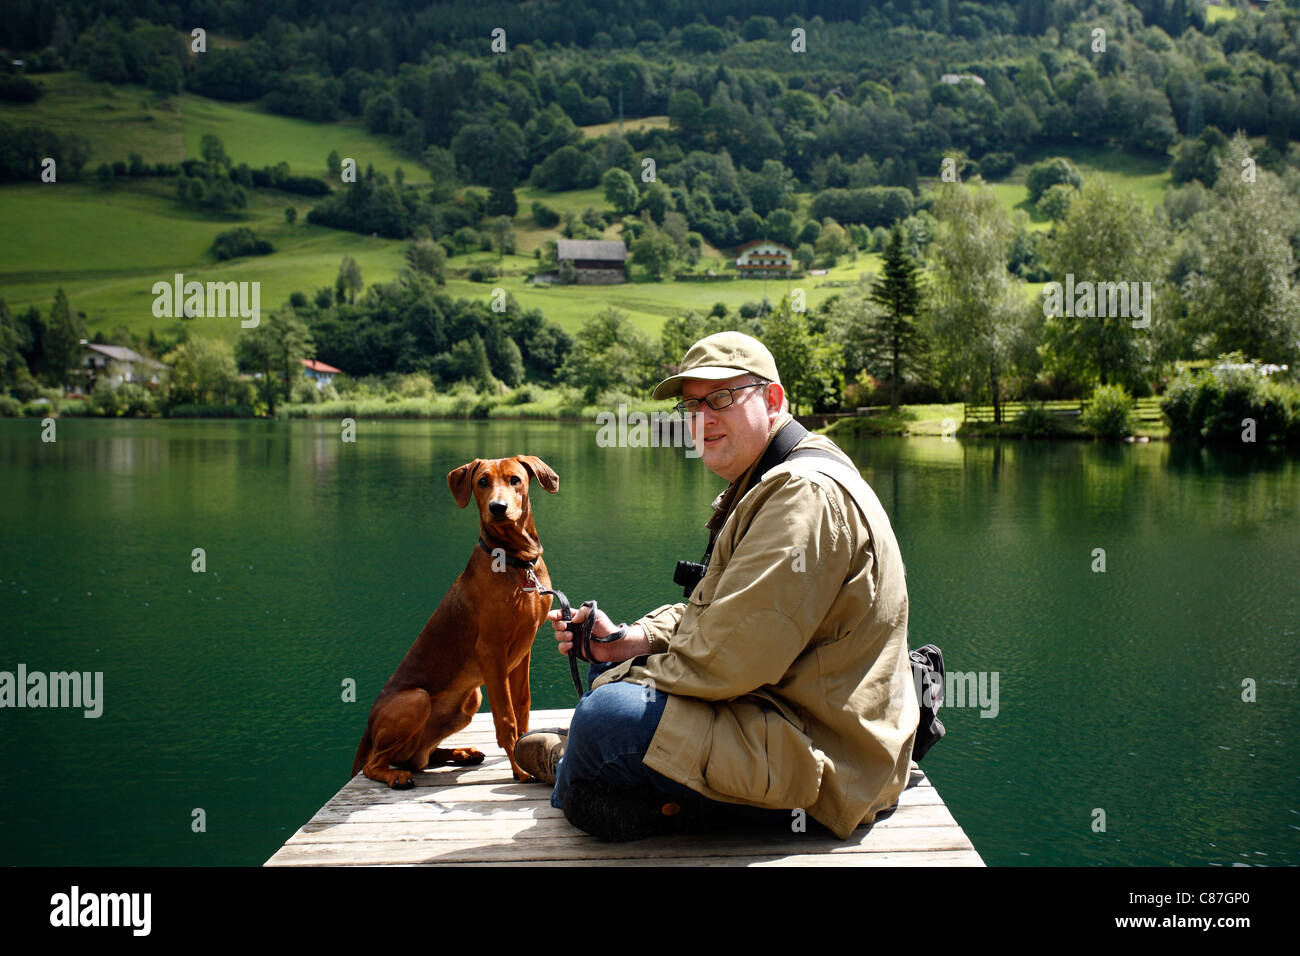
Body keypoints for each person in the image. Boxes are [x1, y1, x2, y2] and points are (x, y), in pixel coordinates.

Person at [515, 331, 919, 841]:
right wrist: (630, 639)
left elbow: (729, 659)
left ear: (772, 399)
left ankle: (573, 764)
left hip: (828, 760)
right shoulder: (779, 473)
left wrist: (617, 677)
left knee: (605, 719)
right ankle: (590, 762)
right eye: (692, 405)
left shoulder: (802, 495)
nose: (701, 419)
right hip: (790, 717)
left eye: (722, 398)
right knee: (612, 684)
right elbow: (728, 612)